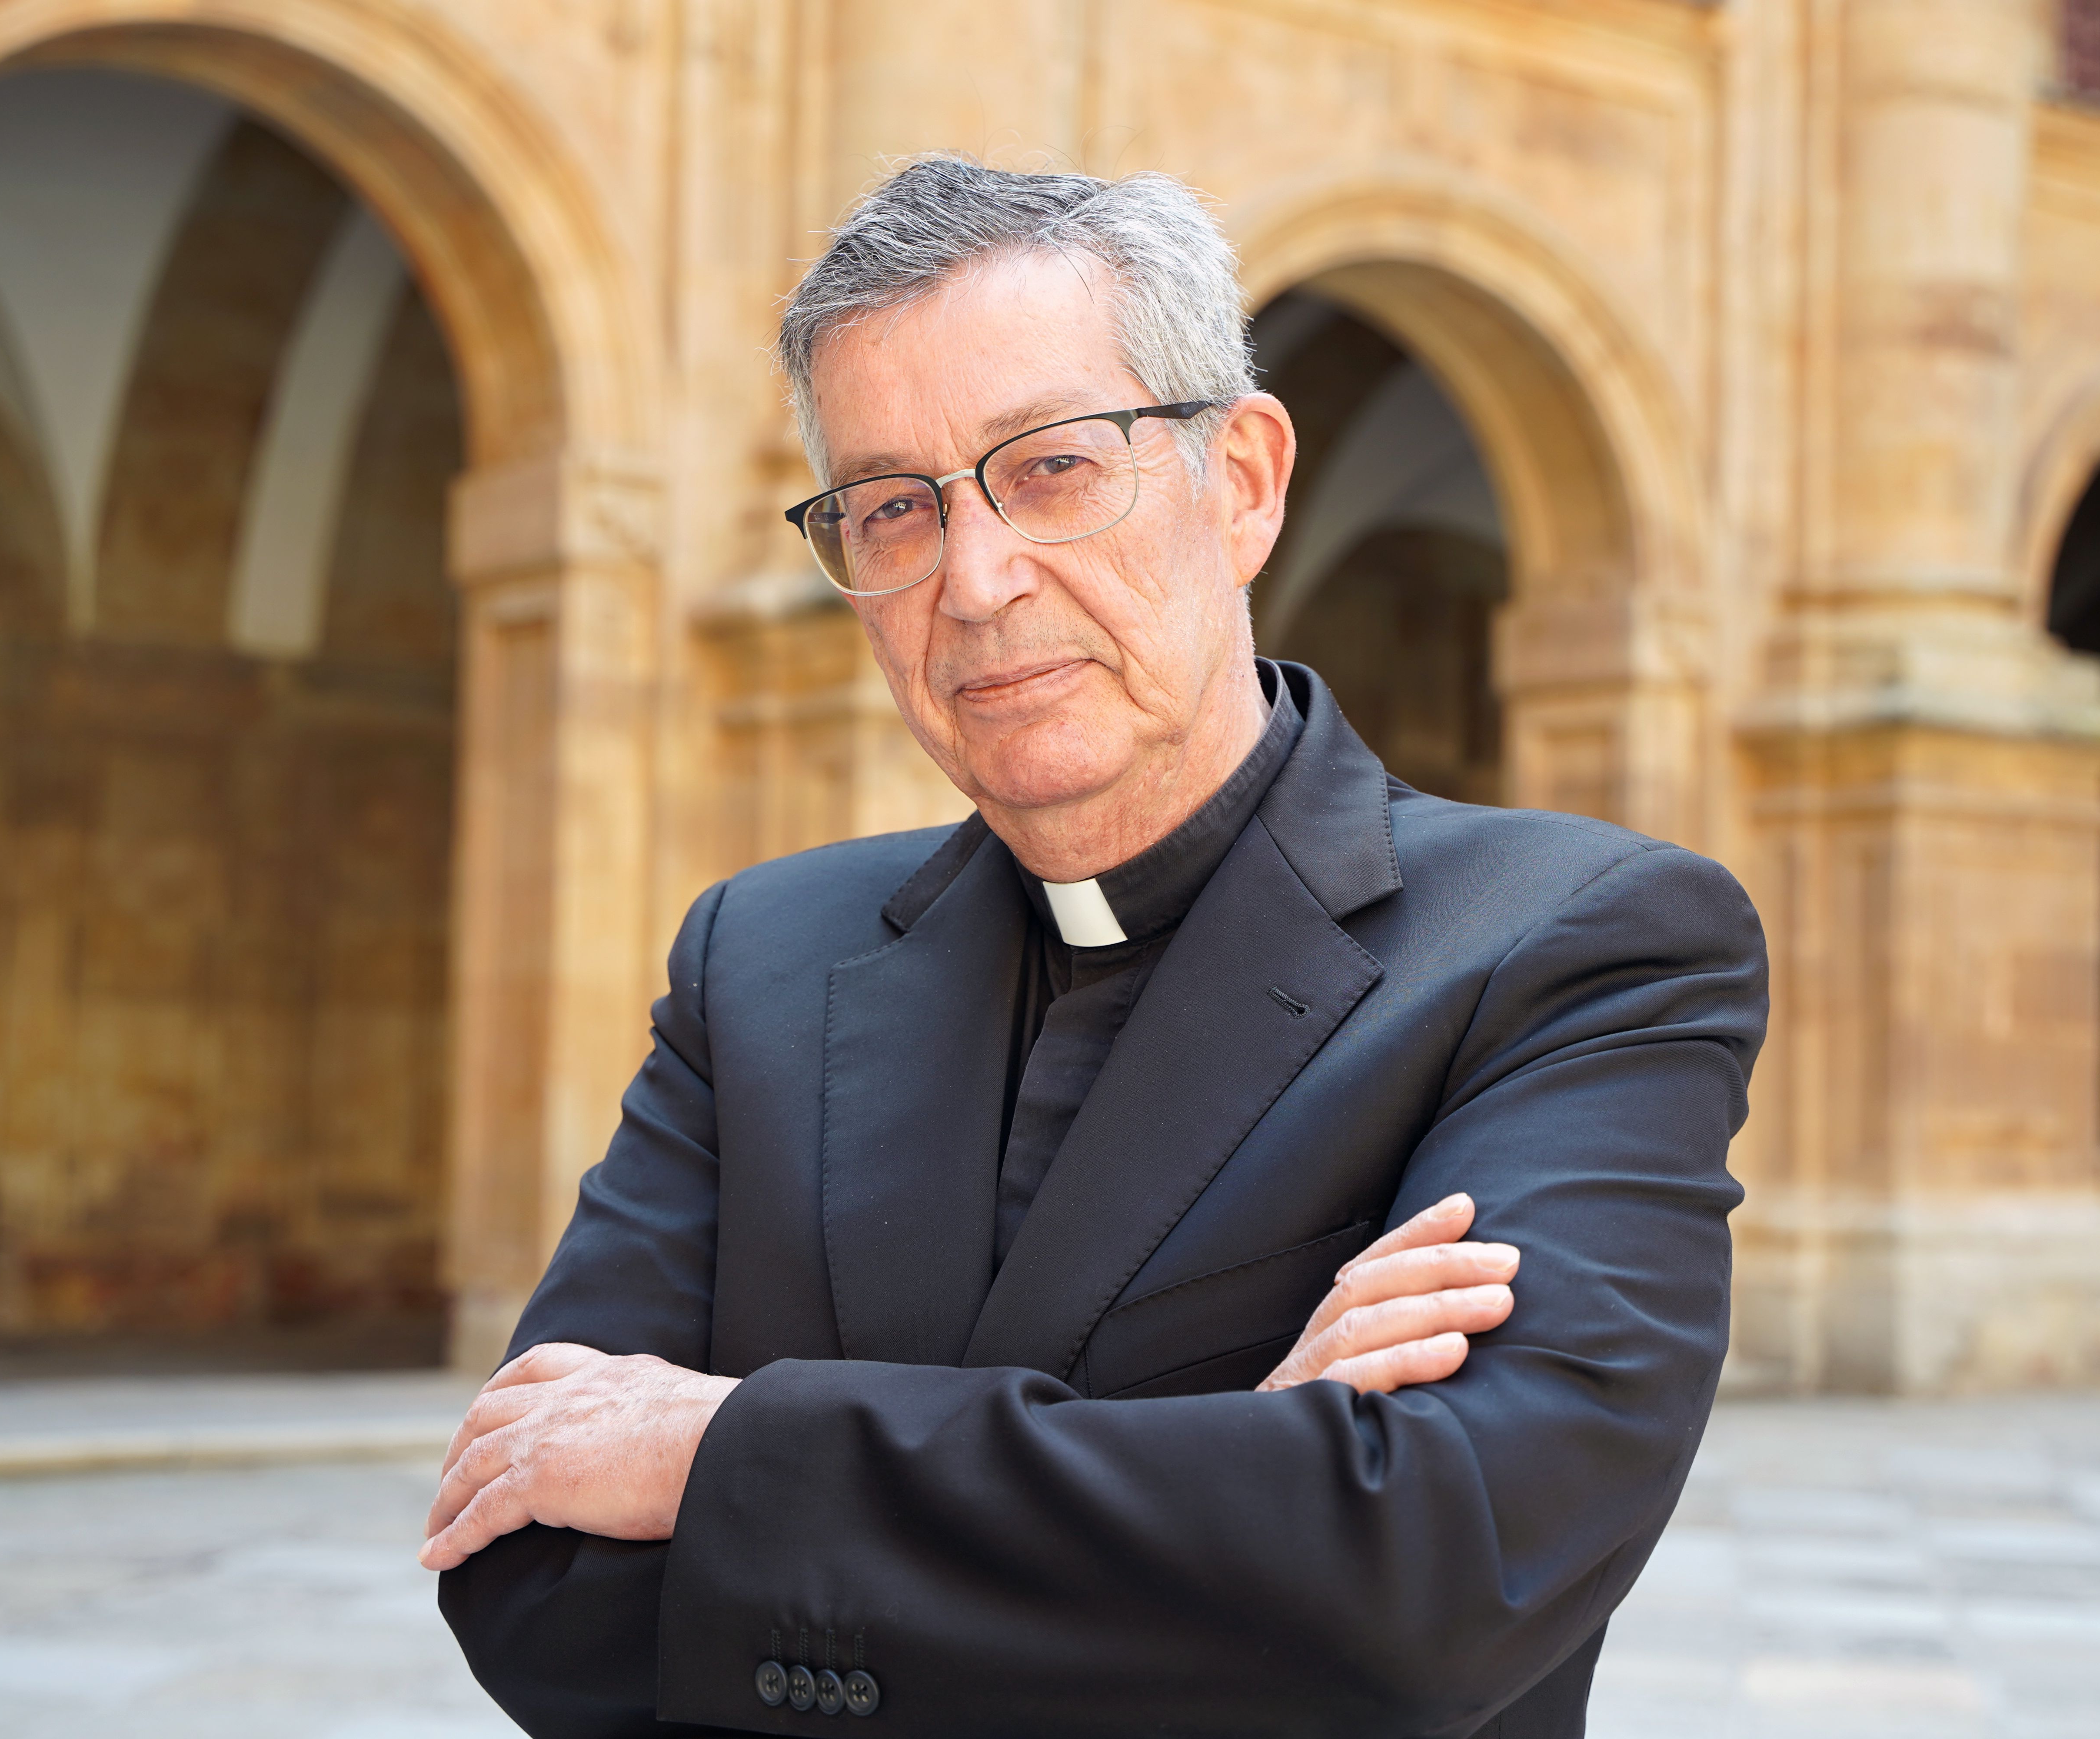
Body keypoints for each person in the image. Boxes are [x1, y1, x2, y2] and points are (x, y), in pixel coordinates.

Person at [426, 157, 1765, 1739]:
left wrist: (717, 1459)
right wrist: (1239, 1468)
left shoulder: (1577, 949)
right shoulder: (759, 961)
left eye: (1052, 468)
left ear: (1245, 480)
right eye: (893, 508)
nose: (975, 583)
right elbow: (529, 1575)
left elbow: (1434, 1573)